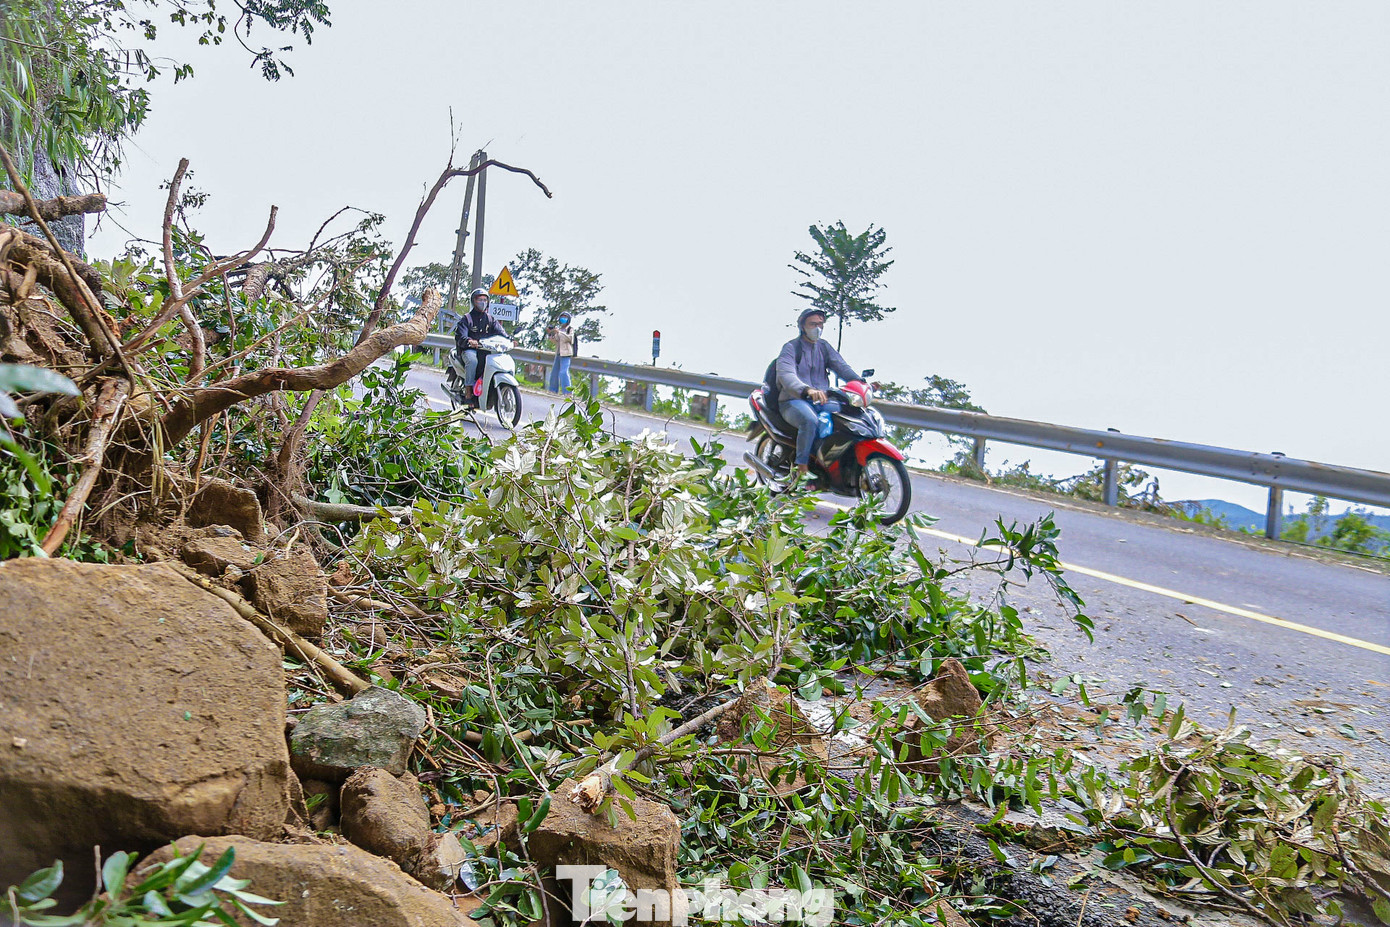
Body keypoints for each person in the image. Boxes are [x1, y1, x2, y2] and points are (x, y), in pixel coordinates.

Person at [775, 308, 860, 484]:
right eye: (813, 324)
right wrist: (807, 389)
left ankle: (831, 460)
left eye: (820, 324)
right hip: (793, 400)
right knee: (810, 421)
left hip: (821, 399)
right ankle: (802, 468)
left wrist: (860, 381)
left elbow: (841, 367)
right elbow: (786, 375)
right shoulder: (791, 348)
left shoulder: (824, 347)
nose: (817, 328)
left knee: (848, 415)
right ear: (802, 326)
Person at [454, 288, 506, 405]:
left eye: (484, 300)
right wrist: (469, 341)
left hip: (485, 350)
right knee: (472, 361)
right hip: (469, 350)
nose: (482, 302)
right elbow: (461, 336)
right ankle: (468, 391)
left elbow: (500, 331)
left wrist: (510, 339)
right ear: (474, 301)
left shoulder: (490, 319)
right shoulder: (467, 319)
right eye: (479, 300)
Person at [546, 313, 577, 394]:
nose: (563, 319)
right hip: (559, 353)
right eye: (562, 317)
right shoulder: (559, 329)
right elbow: (555, 340)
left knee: (563, 372)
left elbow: (570, 338)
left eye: (565, 317)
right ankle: (553, 390)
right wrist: (551, 333)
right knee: (554, 373)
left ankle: (568, 392)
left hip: (566, 353)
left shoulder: (570, 329)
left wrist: (559, 332)